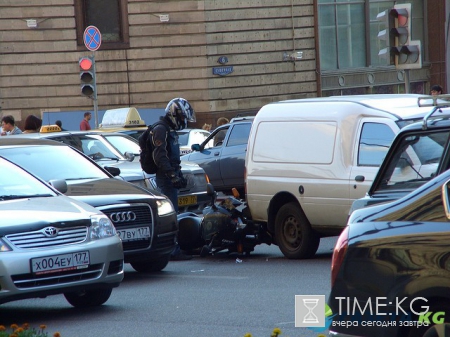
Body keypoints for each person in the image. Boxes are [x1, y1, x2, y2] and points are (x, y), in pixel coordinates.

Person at [152, 98, 196, 260]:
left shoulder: (169, 130)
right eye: (183, 118)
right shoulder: (161, 130)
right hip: (165, 178)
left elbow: (173, 158)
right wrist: (171, 175)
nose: (183, 121)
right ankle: (171, 250)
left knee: (174, 213)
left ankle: (174, 247)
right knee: (170, 215)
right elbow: (160, 156)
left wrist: (179, 175)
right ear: (174, 114)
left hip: (171, 175)